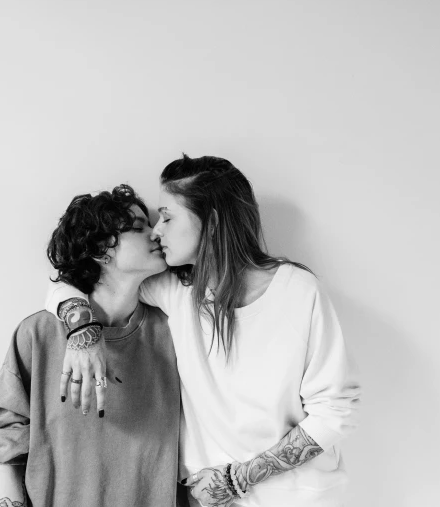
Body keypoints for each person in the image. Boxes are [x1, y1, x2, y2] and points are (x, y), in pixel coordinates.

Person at [47, 155, 361, 507]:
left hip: (298, 496)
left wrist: (237, 478)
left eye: (167, 216)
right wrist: (82, 330)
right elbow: (74, 285)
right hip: (208, 498)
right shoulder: (174, 290)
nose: (157, 230)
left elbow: (335, 410)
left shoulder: (298, 291)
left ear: (210, 222)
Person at [0, 185, 181, 507]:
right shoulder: (38, 335)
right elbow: (4, 443)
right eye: (138, 227)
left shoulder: (173, 332)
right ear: (102, 249)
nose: (156, 234)